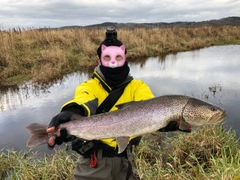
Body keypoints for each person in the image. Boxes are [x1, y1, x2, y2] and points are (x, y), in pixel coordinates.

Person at [47, 30, 185, 180]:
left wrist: (167, 122)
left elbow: (152, 106)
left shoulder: (138, 87)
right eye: (107, 57)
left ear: (125, 58)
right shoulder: (89, 86)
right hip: (93, 162)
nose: (113, 62)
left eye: (118, 57)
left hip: (126, 161)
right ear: (99, 61)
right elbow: (83, 100)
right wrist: (72, 111)